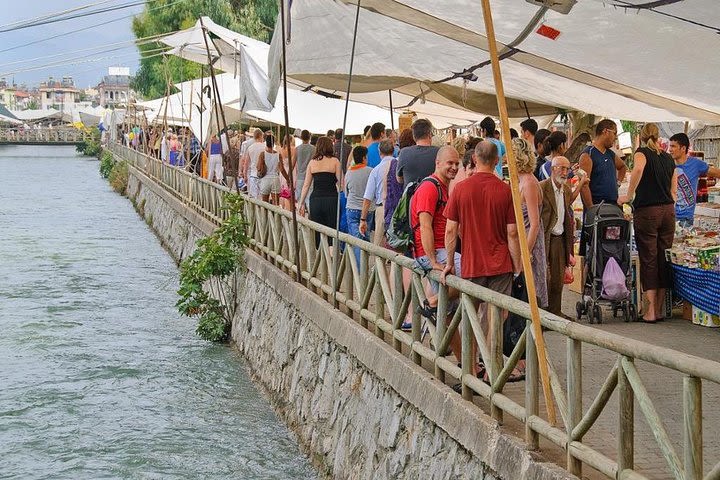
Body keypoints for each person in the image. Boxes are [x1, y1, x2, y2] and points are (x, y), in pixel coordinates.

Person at [442, 141, 522, 380]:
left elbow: (450, 230)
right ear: (497, 161)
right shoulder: (505, 190)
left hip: (471, 262)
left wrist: (448, 263)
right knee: (496, 316)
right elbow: (512, 233)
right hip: (500, 264)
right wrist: (517, 264)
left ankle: (470, 368)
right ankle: (491, 370)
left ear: (474, 159)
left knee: (470, 315)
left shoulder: (460, 190)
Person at [618, 123, 677, 323]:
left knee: (649, 258)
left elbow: (638, 170)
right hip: (668, 211)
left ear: (641, 137)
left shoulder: (641, 153)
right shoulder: (668, 158)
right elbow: (674, 190)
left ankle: (651, 310)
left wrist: (628, 194)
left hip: (648, 211)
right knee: (664, 257)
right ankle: (659, 308)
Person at [410, 146, 462, 357]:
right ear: (438, 163)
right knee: (473, 277)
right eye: (450, 163)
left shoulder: (443, 187)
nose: (454, 167)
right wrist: (432, 260)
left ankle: (468, 366)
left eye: (457, 163)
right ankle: (432, 302)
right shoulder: (430, 188)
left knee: (450, 312)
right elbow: (425, 225)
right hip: (431, 252)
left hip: (439, 250)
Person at [578, 120, 628, 256]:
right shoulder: (588, 154)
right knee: (596, 249)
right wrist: (591, 210)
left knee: (614, 246)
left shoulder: (610, 154)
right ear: (605, 131)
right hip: (597, 209)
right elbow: (584, 185)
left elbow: (623, 167)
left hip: (612, 208)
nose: (615, 137)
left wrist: (617, 183)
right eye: (615, 133)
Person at [540, 156, 578, 319]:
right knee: (544, 277)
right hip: (545, 237)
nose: (565, 172)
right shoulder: (542, 187)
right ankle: (543, 313)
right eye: (561, 168)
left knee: (557, 278)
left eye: (567, 169)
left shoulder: (566, 190)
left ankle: (555, 311)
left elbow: (567, 210)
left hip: (560, 237)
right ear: (552, 169)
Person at [512, 138, 548, 309]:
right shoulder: (522, 181)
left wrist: (525, 253)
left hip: (530, 242)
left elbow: (534, 223)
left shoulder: (528, 183)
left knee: (530, 294)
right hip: (523, 240)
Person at [668, 132, 720, 227]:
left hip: (686, 218)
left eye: (673, 146)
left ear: (683, 148)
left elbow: (717, 173)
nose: (670, 149)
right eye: (670, 146)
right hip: (668, 216)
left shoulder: (696, 164)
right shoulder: (666, 164)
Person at [298, 136, 341, 246]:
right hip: (332, 199)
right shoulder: (335, 161)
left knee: (318, 231)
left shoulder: (312, 163)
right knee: (332, 231)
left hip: (316, 199)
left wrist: (301, 203)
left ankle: (320, 256)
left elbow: (306, 185)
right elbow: (342, 183)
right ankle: (331, 257)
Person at [359, 139, 395, 245]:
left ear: (380, 152)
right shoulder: (398, 165)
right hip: (397, 209)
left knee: (378, 247)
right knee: (396, 246)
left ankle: (378, 262)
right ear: (393, 151)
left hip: (381, 209)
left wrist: (363, 219)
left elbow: (367, 198)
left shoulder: (376, 170)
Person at [345, 145, 374, 265]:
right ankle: (364, 269)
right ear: (364, 158)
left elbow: (346, 193)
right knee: (365, 240)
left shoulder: (348, 173)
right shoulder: (370, 171)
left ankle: (359, 271)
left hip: (351, 208)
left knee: (356, 241)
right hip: (367, 210)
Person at [384, 129, 415, 231]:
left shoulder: (393, 163)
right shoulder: (410, 163)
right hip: (409, 217)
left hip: (394, 216)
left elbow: (387, 194)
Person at [396, 119, 440, 188]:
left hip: (411, 197)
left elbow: (399, 180)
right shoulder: (439, 152)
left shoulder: (404, 153)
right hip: (434, 196)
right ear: (429, 134)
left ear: (414, 136)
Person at [257, 135, 284, 205]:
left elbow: (259, 168)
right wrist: (288, 179)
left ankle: (265, 216)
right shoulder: (278, 155)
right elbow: (282, 169)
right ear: (274, 143)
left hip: (265, 179)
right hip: (275, 179)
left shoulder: (262, 154)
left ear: (266, 143)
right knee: (276, 205)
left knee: (265, 204)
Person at [242, 129, 265, 198]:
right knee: (262, 197)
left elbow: (246, 163)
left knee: (254, 198)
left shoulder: (250, 148)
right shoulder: (264, 147)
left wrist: (245, 175)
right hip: (263, 174)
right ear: (260, 136)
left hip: (252, 175)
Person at [295, 130, 314, 203]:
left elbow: (292, 164)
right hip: (311, 177)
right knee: (309, 200)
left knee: (300, 200)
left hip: (300, 177)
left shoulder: (297, 149)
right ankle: (309, 214)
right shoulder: (314, 149)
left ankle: (301, 214)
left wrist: (289, 177)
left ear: (301, 137)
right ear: (309, 137)